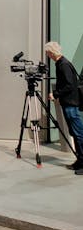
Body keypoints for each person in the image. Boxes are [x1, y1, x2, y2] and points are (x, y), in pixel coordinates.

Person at [45, 41, 83, 173]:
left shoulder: (63, 65)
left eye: (47, 52)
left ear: (51, 52)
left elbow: (69, 85)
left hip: (70, 104)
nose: (47, 55)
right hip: (69, 103)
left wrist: (55, 94)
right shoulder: (61, 63)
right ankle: (80, 161)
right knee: (74, 133)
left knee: (78, 134)